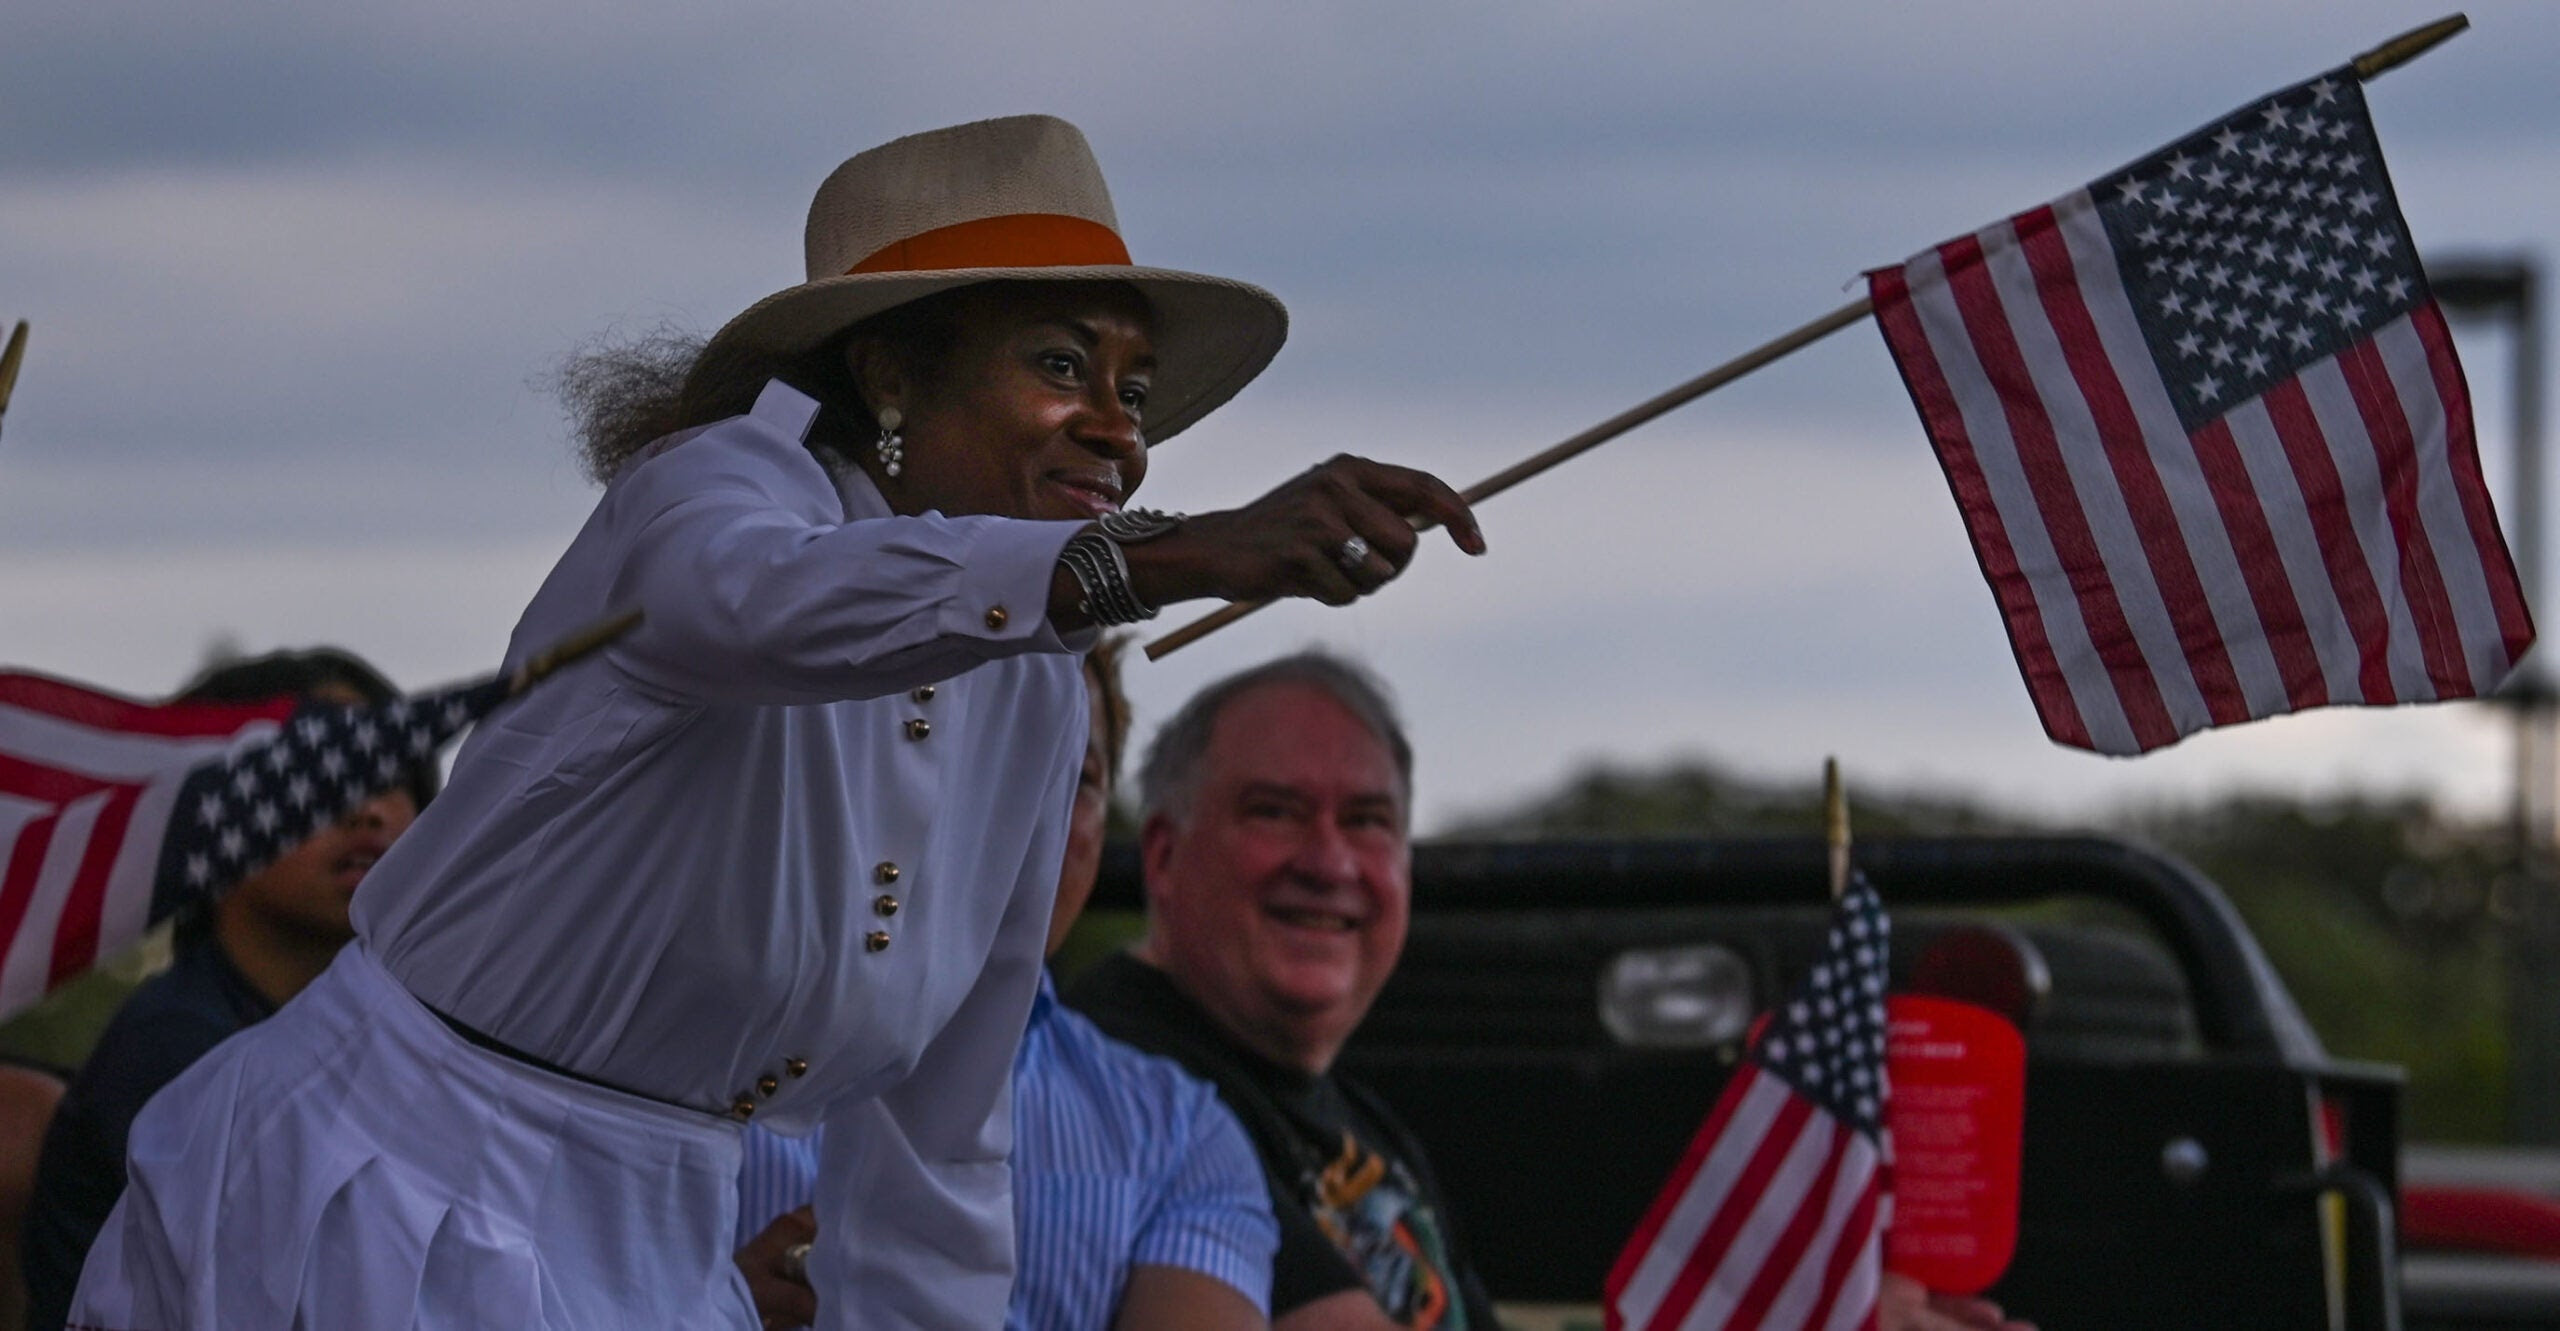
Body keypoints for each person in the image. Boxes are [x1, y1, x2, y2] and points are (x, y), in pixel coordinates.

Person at [69, 114, 1482, 1331]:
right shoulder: (711, 494)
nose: (1118, 428)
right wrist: (1169, 556)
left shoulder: (1039, 693)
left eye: (1133, 387)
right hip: (378, 1191)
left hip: (662, 1261)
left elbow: (935, 1159)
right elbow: (749, 606)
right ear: (888, 373)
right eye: (1061, 362)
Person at [1069, 652, 2031, 1331]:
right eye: (1275, 812)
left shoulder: (1353, 1117)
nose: (1330, 863)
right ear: (1162, 851)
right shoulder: (1136, 1086)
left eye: (1367, 822)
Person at [733, 637, 1278, 1331]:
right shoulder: (676, 1067)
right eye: (984, 761)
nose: (1026, 814)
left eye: (1072, 779)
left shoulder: (1178, 1136)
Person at [24, 649, 432, 1331]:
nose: (366, 807)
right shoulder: (178, 1053)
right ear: (204, 818)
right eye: (316, 774)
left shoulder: (410, 1039)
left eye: (388, 771)